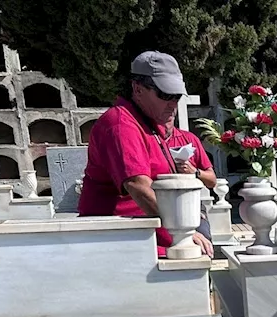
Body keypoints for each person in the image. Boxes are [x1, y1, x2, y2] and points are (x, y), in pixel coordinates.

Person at [79, 50, 217, 257]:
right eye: (164, 95)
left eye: (176, 96)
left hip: (150, 234)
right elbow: (139, 187)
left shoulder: (149, 123)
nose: (173, 103)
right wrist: (182, 231)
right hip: (126, 242)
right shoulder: (121, 125)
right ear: (137, 88)